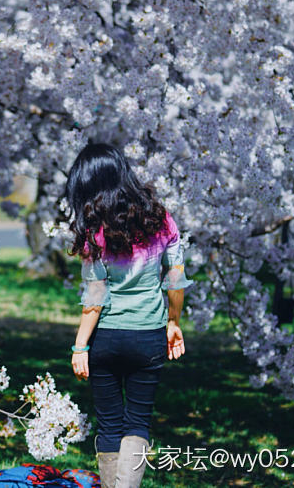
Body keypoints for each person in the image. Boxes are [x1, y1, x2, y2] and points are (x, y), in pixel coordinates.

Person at [63, 142, 193, 488]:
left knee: (109, 424)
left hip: (105, 338)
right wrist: (174, 323)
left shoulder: (95, 229)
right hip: (149, 336)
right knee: (137, 422)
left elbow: (94, 297)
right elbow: (175, 278)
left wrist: (79, 347)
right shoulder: (161, 219)